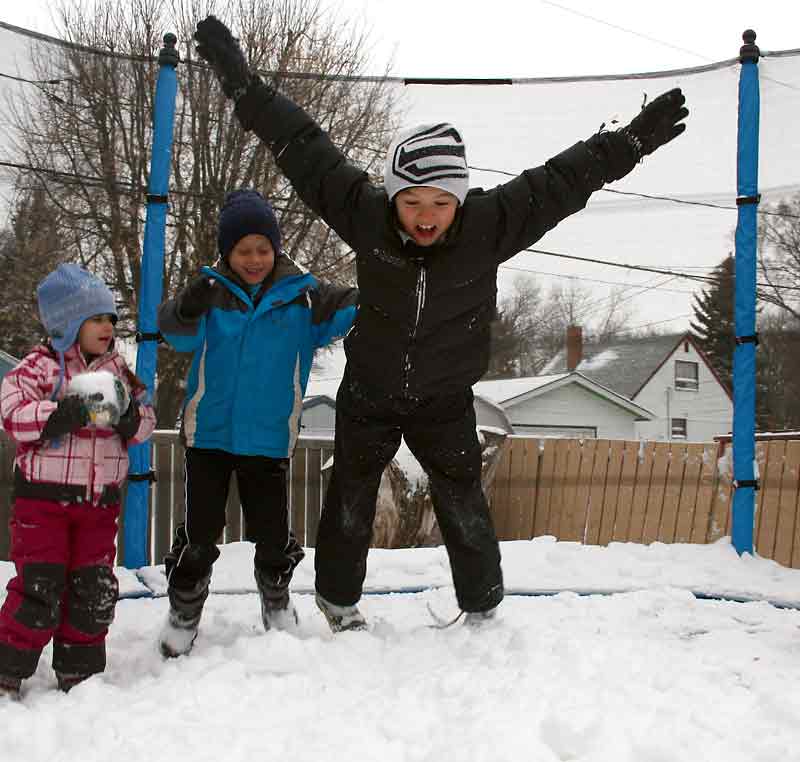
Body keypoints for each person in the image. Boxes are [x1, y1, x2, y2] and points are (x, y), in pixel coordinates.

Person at [192, 16, 689, 632]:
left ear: (460, 200)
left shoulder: (490, 224)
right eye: (412, 202)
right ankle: (338, 602)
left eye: (440, 204)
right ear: (392, 197)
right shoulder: (365, 215)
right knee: (350, 497)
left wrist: (630, 142)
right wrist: (244, 86)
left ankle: (482, 607)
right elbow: (302, 146)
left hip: (445, 398)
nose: (426, 217)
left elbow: (563, 181)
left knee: (463, 499)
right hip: (370, 392)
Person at [156, 188, 358, 656]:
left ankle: (276, 602)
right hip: (208, 434)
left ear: (276, 249)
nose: (254, 259)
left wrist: (383, 286)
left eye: (263, 249)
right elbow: (172, 330)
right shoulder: (210, 294)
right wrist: (187, 304)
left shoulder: (302, 297)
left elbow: (351, 307)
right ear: (227, 253)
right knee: (200, 533)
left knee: (271, 535)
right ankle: (184, 610)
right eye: (243, 250)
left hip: (269, 440)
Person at [0, 264, 156, 699]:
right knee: (40, 587)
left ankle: (80, 674)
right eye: (96, 318)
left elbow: (146, 420)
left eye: (110, 318)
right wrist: (60, 414)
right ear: (69, 324)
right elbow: (11, 413)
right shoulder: (39, 368)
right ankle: (6, 669)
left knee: (94, 588)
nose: (107, 327)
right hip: (42, 505)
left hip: (98, 504)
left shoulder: (119, 372)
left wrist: (129, 419)